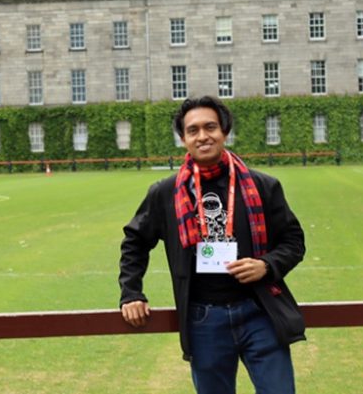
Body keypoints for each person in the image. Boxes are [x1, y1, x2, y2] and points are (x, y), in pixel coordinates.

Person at [119, 96, 306, 394]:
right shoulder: (166, 193)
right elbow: (135, 242)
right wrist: (131, 294)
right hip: (204, 320)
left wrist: (267, 265)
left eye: (210, 127)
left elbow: (293, 240)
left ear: (224, 132)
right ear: (183, 139)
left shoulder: (262, 186)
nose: (203, 136)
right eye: (193, 130)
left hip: (260, 311)